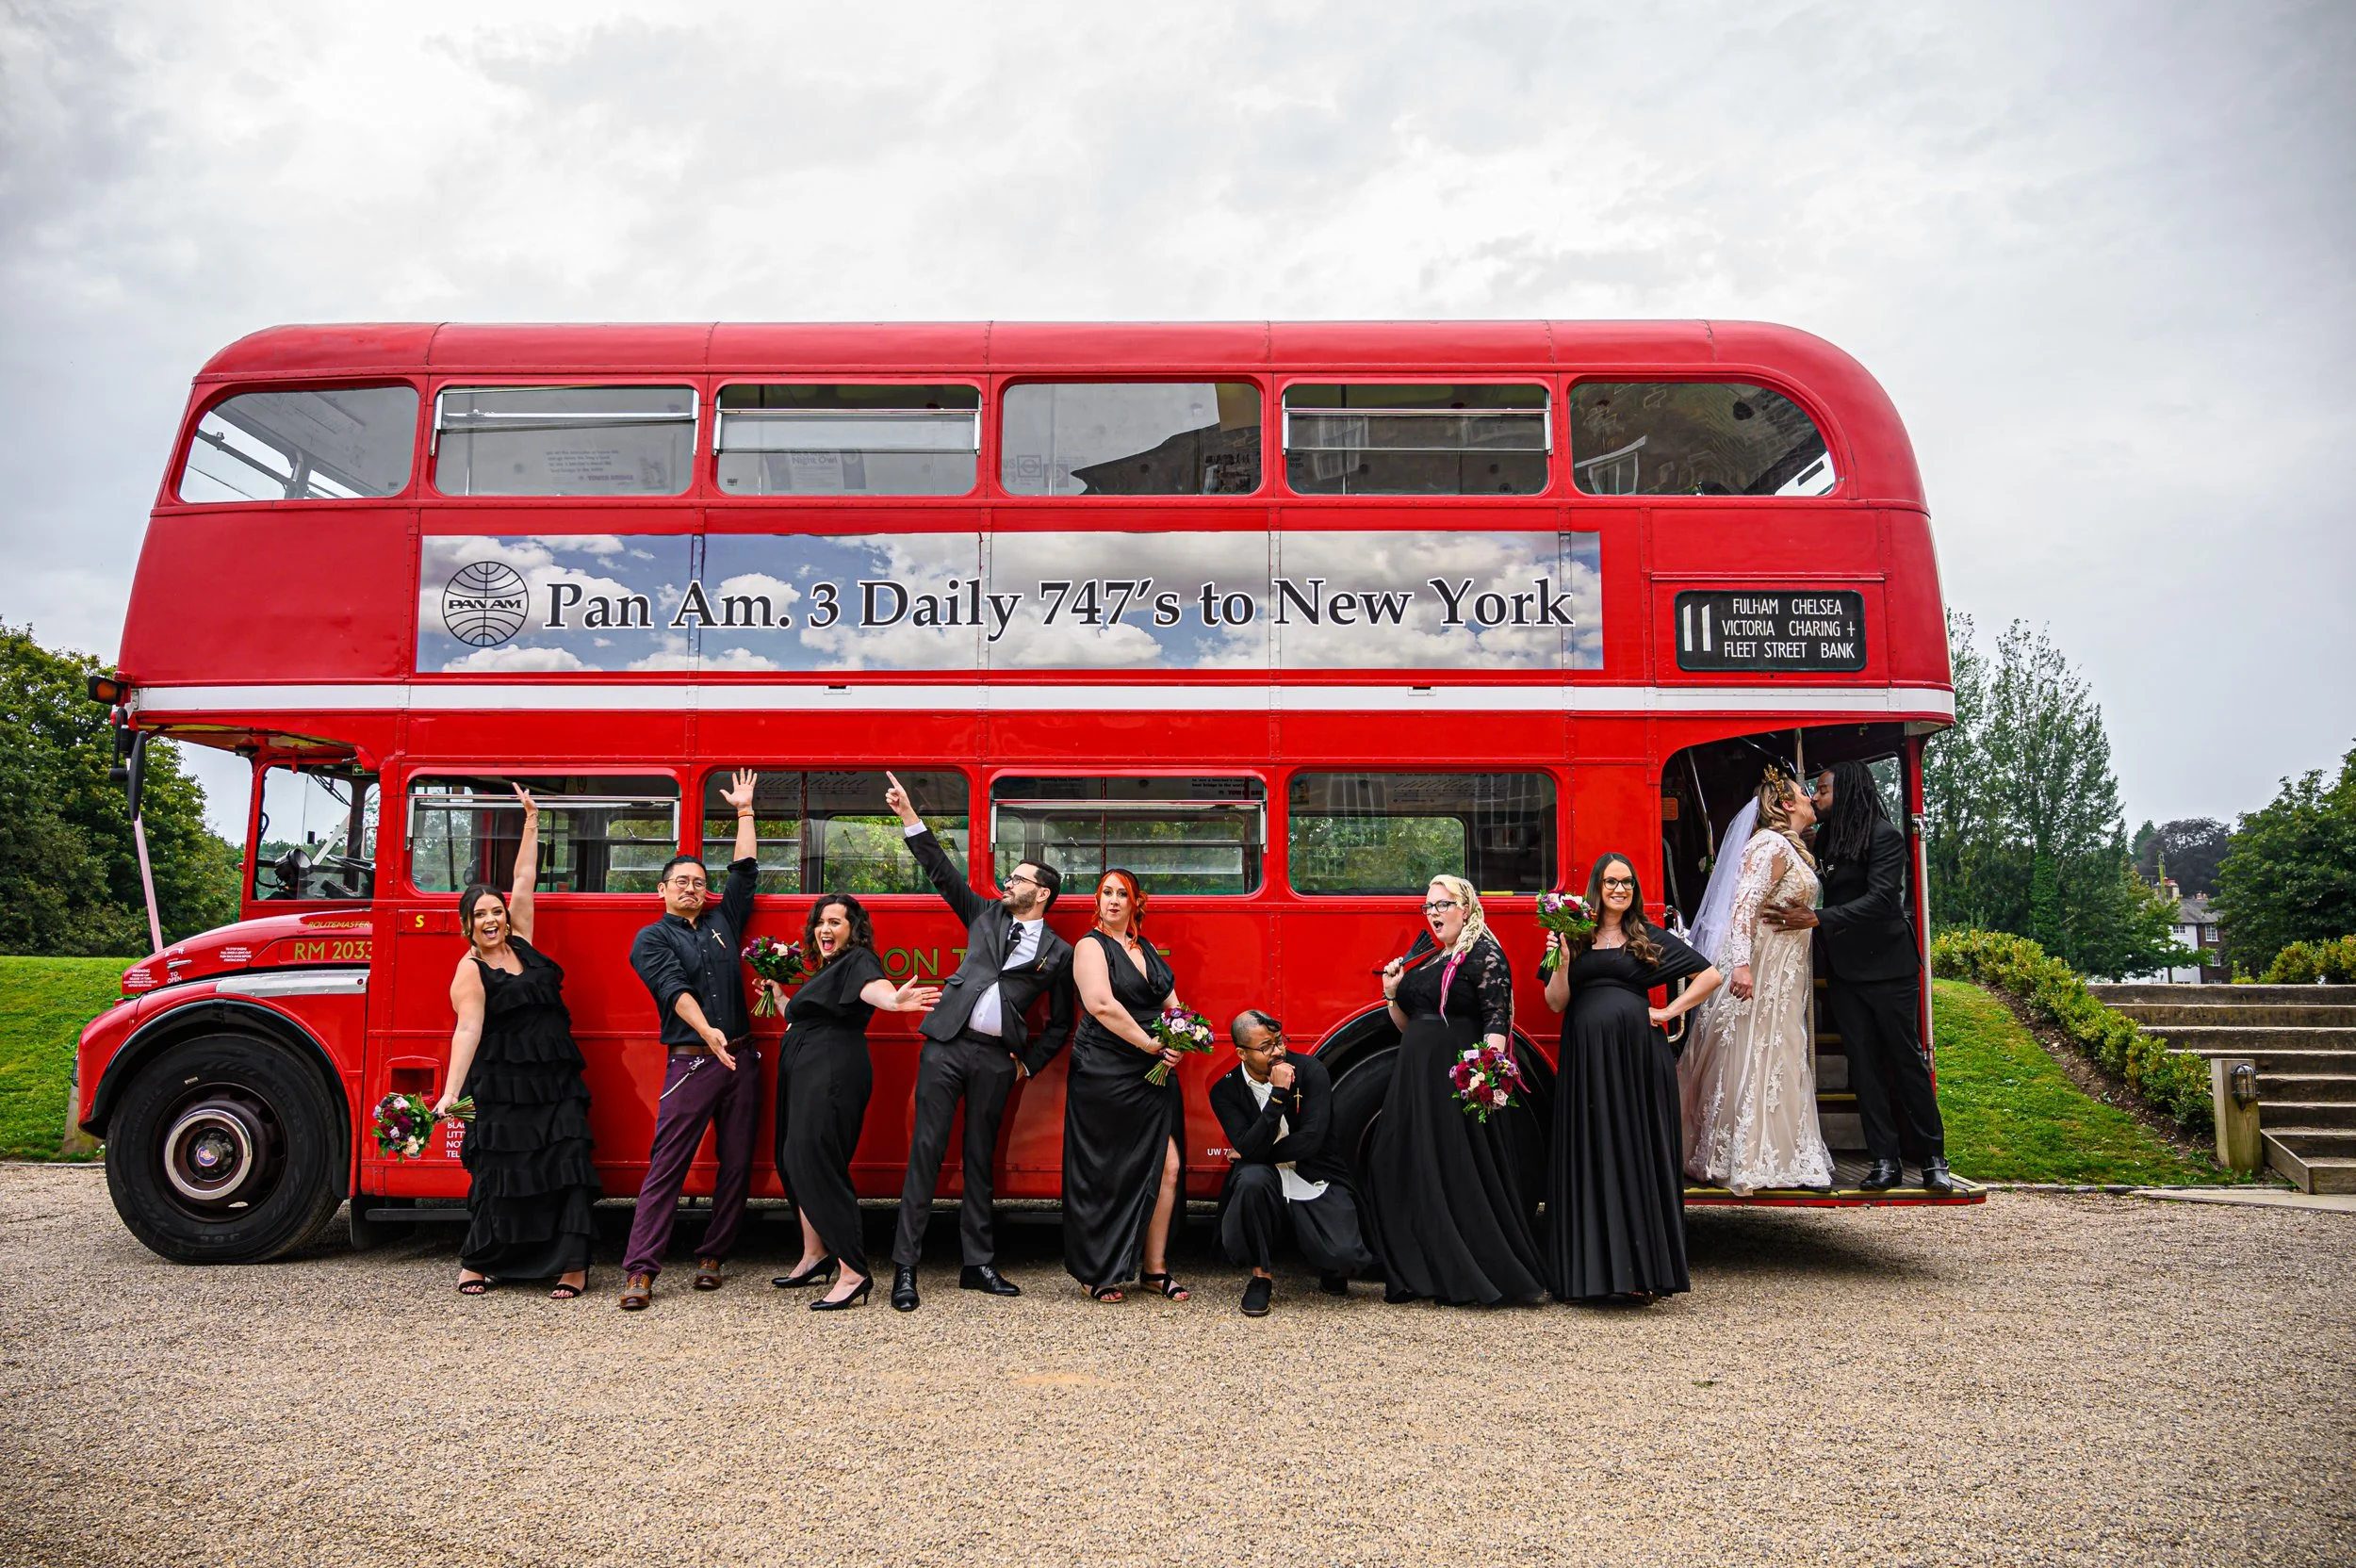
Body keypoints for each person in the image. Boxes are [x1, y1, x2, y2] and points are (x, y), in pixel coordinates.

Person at [882, 770, 1076, 1312]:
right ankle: (905, 1269)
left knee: (979, 1161)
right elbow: (943, 874)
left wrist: (1029, 1066)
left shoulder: (1059, 953)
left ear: (1043, 893)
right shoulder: (985, 917)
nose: (1007, 885)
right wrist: (908, 818)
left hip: (997, 1060)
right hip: (946, 1047)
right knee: (925, 1153)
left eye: (1017, 880)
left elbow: (1061, 1023)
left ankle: (977, 1264)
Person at [436, 786, 598, 1298]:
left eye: (496, 911)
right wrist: (450, 1094)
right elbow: (467, 1031)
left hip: (553, 1080)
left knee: (564, 1166)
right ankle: (480, 1262)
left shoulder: (522, 939)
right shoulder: (469, 971)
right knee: (500, 1171)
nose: (491, 919)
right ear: (467, 924)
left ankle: (572, 1265)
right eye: (480, 914)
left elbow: (524, 879)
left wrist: (532, 821)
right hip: (503, 1086)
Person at [1763, 760, 1954, 1193]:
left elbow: (1883, 901)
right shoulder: (1828, 838)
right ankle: (1883, 1159)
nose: (1817, 797)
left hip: (1890, 969)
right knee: (1862, 1066)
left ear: (1847, 790)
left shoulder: (1885, 838)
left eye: (1824, 790)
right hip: (1848, 971)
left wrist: (1818, 918)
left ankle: (1933, 1158)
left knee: (1906, 1062)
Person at [1541, 853, 1720, 1304]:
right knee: (1590, 1152)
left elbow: (1710, 974)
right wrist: (1561, 962)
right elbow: (1555, 1003)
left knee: (1635, 1153)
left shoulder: (1646, 936)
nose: (1619, 890)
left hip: (1636, 1061)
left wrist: (1668, 1011)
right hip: (1586, 1062)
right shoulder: (1573, 936)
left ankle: (1640, 1274)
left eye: (1626, 882)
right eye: (1610, 882)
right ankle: (1589, 1276)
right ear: (1597, 887)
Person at [616, 769, 764, 1311]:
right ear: (662, 890)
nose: (691, 887)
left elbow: (745, 872)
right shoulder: (650, 938)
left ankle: (713, 1255)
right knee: (667, 1165)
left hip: (742, 1059)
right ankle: (640, 1269)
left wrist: (745, 811)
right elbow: (673, 991)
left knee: (737, 1160)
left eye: (699, 881)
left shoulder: (725, 920)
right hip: (694, 1061)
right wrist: (710, 1034)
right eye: (681, 881)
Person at [1364, 875, 1546, 1307]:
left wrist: (1484, 1080)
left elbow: (1496, 1022)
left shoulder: (1484, 954)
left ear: (1466, 907)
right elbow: (1411, 1024)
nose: (1434, 914)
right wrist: (1393, 994)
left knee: (1452, 1173)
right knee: (1393, 1164)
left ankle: (1461, 1276)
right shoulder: (1431, 956)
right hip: (1415, 1082)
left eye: (1442, 905)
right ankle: (1415, 1271)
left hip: (1455, 1083)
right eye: (1428, 907)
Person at [767, 893, 940, 1312]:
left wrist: (895, 1001)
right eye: (821, 922)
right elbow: (806, 1014)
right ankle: (815, 1255)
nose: (825, 929)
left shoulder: (858, 960)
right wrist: (780, 998)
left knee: (816, 1161)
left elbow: (875, 991)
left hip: (830, 1070)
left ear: (853, 929)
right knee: (793, 1159)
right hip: (806, 1068)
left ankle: (853, 1271)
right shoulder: (825, 968)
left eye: (836, 922)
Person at [1679, 769, 1837, 1196]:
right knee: (1751, 1052)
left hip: (1784, 975)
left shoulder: (1793, 847)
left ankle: (1780, 1151)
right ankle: (1739, 1154)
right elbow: (1743, 907)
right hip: (1760, 970)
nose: (1811, 799)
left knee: (1779, 1052)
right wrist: (1743, 967)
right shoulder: (1769, 844)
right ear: (1787, 804)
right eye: (1805, 794)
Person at [1064, 869, 1195, 1303]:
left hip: (1151, 1071)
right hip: (1104, 1070)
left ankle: (1154, 1270)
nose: (1114, 900)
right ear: (1097, 902)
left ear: (1137, 902)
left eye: (1123, 894)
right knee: (1106, 1171)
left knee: (1169, 1166)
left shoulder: (1146, 948)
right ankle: (1096, 1270)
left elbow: (1174, 1006)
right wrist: (1152, 1045)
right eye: (1107, 893)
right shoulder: (1089, 946)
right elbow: (1101, 1004)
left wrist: (1179, 1042)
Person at [1209, 1010, 1373, 1315]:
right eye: (1266, 1047)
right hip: (1264, 1177)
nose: (1278, 1051)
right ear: (1241, 1053)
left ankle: (1329, 1265)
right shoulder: (1224, 1090)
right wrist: (1277, 1096)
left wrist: (1252, 1152)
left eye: (1279, 1042)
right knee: (1251, 1180)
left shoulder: (1311, 1071)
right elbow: (1248, 1144)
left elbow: (1311, 1140)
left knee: (1346, 1256)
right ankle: (1260, 1277)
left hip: (1313, 1172)